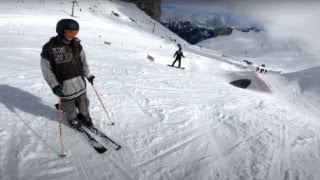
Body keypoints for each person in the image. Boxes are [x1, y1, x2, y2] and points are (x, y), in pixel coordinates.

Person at [40, 19, 95, 128]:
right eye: (70, 32)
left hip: (80, 85)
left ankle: (85, 116)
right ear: (61, 31)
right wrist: (54, 85)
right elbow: (46, 70)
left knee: (84, 105)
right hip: (64, 88)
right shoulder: (49, 48)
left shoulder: (77, 45)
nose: (72, 36)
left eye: (75, 33)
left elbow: (83, 63)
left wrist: (88, 75)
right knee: (70, 109)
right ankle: (73, 120)